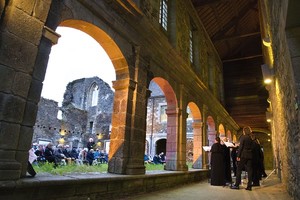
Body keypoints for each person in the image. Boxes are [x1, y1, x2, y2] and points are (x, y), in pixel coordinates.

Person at [231, 126, 254, 191]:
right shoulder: (251, 138)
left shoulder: (243, 137)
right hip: (249, 155)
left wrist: (238, 156)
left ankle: (237, 185)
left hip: (243, 155)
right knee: (250, 170)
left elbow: (240, 147)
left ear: (244, 131)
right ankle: (249, 186)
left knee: (239, 170)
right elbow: (252, 147)